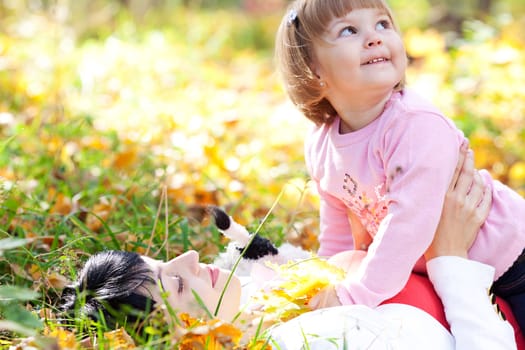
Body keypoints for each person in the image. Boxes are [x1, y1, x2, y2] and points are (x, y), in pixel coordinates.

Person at [57, 146, 524, 349]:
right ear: (180, 341)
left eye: (165, 261)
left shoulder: (276, 300)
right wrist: (449, 256)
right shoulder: (307, 341)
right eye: (176, 283)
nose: (190, 257)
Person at [274, 0, 525, 331]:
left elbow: (409, 225)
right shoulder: (322, 144)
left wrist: (356, 294)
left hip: (510, 260)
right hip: (444, 268)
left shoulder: (415, 125)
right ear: (314, 70)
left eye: (382, 24)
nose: (374, 38)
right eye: (349, 30)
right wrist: (328, 279)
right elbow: (337, 225)